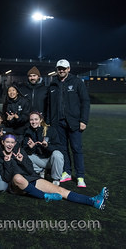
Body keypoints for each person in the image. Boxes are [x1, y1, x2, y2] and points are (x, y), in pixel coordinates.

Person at [0, 134, 108, 210]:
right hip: (16, 186)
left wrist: (22, 161)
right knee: (17, 177)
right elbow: (6, 178)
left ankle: (93, 201)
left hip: (31, 180)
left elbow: (31, 171)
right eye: (7, 142)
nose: (9, 145)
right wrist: (7, 162)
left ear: (15, 143)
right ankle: (44, 196)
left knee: (61, 190)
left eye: (12, 142)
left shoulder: (21, 152)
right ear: (3, 142)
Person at [47, 59, 90, 187]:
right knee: (63, 149)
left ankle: (80, 176)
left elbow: (85, 102)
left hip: (74, 122)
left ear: (69, 69)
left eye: (64, 68)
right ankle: (67, 172)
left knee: (76, 149)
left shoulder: (77, 82)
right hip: (58, 123)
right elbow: (49, 105)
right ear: (56, 69)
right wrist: (49, 122)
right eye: (59, 68)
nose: (61, 70)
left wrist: (83, 120)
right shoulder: (53, 84)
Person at [22, 111, 64, 185]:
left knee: (57, 154)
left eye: (36, 119)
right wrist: (31, 148)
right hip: (39, 160)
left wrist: (47, 146)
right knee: (24, 156)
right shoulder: (27, 132)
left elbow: (59, 147)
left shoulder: (50, 130)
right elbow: (25, 150)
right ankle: (40, 171)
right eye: (31, 120)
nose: (33, 122)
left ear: (41, 120)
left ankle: (56, 179)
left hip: (50, 160)